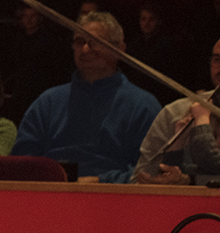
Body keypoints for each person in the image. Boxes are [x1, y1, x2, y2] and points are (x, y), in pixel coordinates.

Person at [13, 12, 161, 183]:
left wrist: (102, 182)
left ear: (120, 49)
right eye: (79, 42)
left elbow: (149, 172)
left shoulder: (143, 105)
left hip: (116, 201)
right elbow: (22, 163)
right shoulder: (48, 102)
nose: (85, 49)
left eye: (95, 42)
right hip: (50, 198)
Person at [134, 38, 220, 182]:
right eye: (217, 60)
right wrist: (176, 145)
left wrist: (202, 124)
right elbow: (141, 179)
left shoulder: (200, 116)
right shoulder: (175, 112)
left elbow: (212, 165)